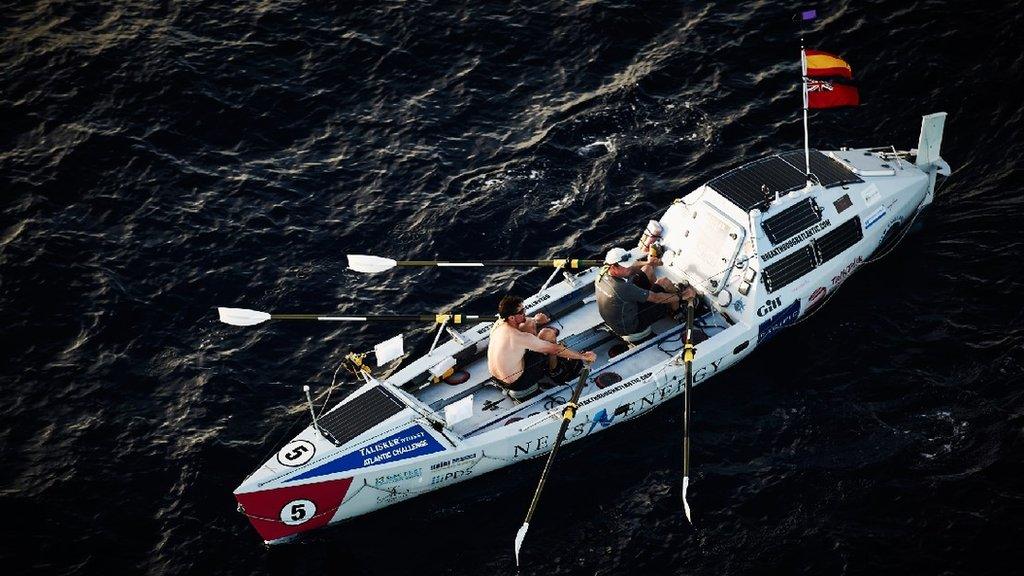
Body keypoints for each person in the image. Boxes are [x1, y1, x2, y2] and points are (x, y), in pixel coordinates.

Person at [487, 295, 597, 400]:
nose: (525, 313)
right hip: (519, 383)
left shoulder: (499, 323)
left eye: (524, 309)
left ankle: (539, 348)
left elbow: (526, 323)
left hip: (498, 379)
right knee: (547, 334)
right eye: (521, 312)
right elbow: (555, 349)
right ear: (511, 317)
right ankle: (555, 370)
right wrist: (583, 357)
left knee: (529, 325)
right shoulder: (518, 337)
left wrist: (535, 320)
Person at [595, 247, 696, 342]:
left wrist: (649, 262)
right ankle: (678, 312)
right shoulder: (622, 288)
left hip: (621, 317)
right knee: (664, 282)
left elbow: (633, 268)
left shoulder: (602, 272)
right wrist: (682, 296)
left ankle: (667, 298)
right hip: (633, 327)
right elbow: (656, 298)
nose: (629, 267)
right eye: (626, 266)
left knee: (648, 269)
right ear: (613, 267)